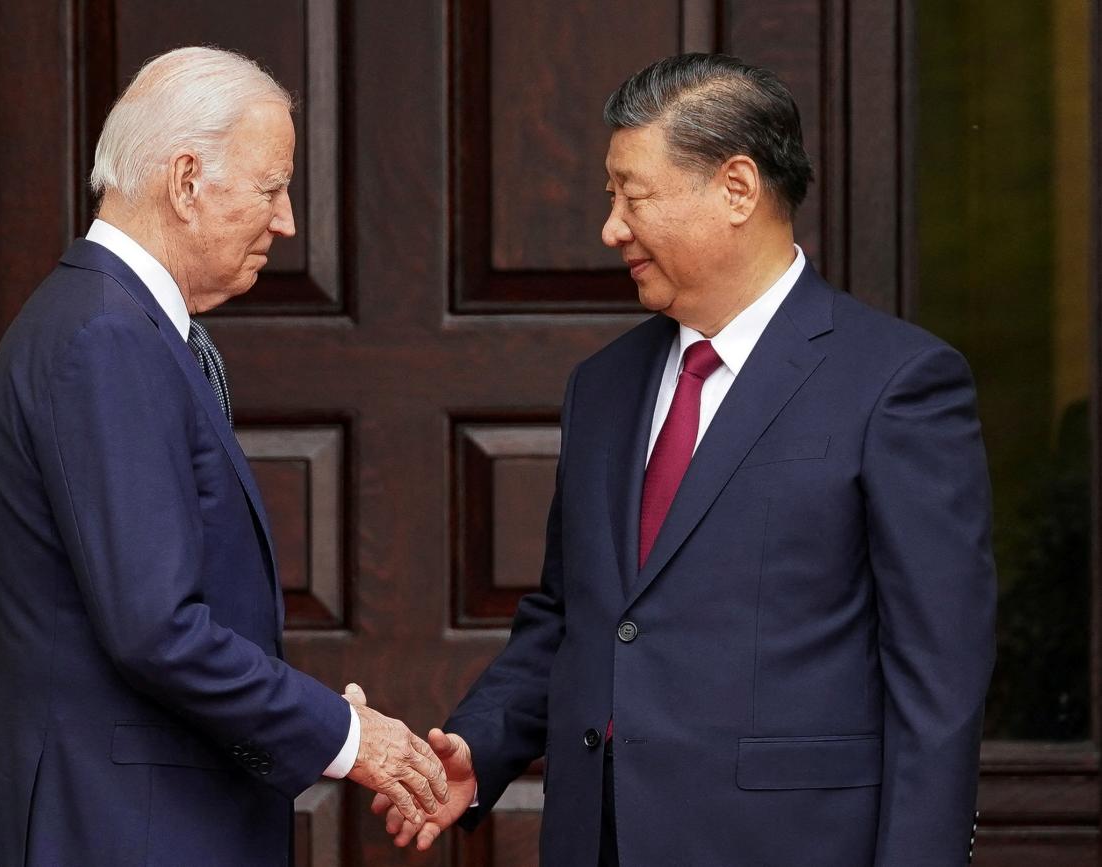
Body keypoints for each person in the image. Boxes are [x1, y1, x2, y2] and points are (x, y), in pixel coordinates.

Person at [370, 53, 995, 866]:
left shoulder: (896, 384)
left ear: (737, 189)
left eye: (634, 196)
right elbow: (572, 617)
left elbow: (937, 681)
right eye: (609, 198)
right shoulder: (603, 387)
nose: (612, 228)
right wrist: (479, 748)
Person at [0, 46, 446, 865]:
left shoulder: (107, 321)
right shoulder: (107, 337)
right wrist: (349, 735)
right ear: (186, 181)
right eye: (271, 188)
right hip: (118, 828)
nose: (286, 221)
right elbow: (157, 630)